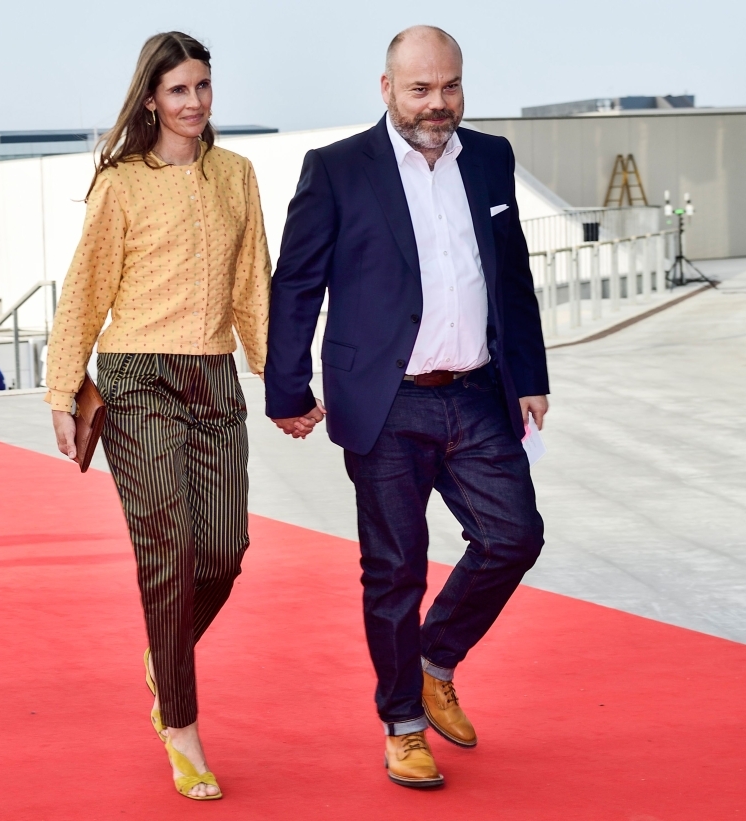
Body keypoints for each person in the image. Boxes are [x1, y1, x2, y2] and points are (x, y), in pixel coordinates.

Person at [264, 25, 548, 789]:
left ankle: (433, 659)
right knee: (394, 570)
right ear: (387, 89)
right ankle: (404, 725)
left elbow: (509, 269)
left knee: (515, 536)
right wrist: (286, 388)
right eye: (421, 89)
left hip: (478, 392)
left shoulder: (488, 157)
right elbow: (296, 284)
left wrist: (530, 373)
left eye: (450, 86)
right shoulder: (336, 170)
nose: (438, 103)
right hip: (385, 402)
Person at [44, 31, 270, 801]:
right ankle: (181, 726)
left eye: (204, 86)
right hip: (138, 375)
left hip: (213, 377)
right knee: (169, 549)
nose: (196, 102)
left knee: (225, 549)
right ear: (151, 100)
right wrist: (60, 390)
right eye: (179, 90)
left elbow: (253, 288)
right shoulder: (121, 183)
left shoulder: (238, 176)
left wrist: (288, 380)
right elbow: (85, 289)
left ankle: (161, 650)